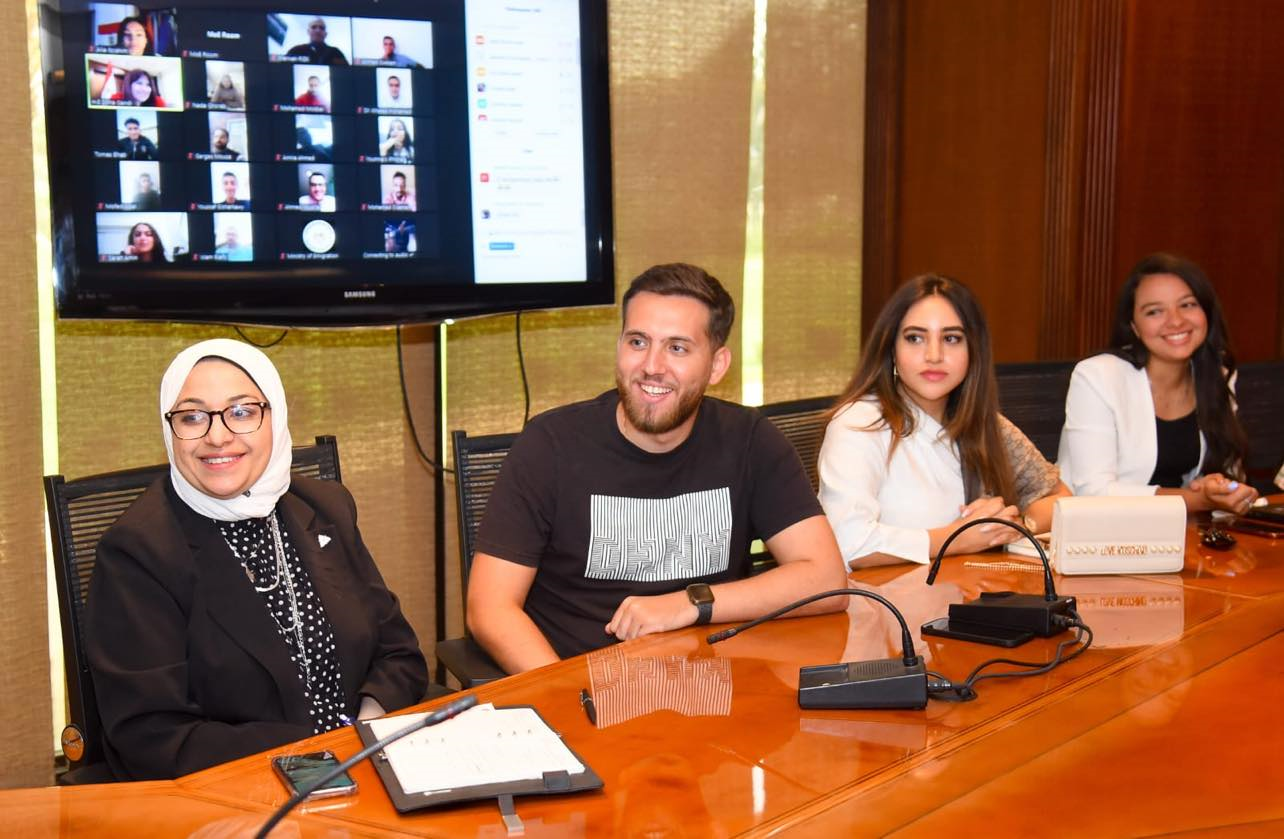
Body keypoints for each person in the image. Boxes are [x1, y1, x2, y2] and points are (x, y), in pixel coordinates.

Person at [467, 263, 848, 673]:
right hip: (580, 683)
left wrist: (690, 603)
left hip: (715, 689)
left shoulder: (749, 441)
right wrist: (562, 694)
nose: (652, 365)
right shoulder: (550, 445)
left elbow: (826, 580)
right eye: (638, 342)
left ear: (717, 365)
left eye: (677, 348)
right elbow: (489, 609)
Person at [85, 340, 429, 780]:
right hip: (241, 788)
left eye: (242, 411)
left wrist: (366, 728)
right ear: (170, 429)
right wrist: (315, 759)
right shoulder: (137, 552)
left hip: (365, 762)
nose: (217, 436)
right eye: (192, 417)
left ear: (276, 417)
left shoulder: (325, 506)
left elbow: (399, 653)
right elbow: (149, 734)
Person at [818, 274, 1071, 568]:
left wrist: (1009, 526)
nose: (934, 355)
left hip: (969, 590)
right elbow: (848, 544)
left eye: (951, 339)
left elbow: (1061, 500)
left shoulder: (986, 425)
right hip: (885, 594)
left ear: (973, 350)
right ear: (891, 349)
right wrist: (959, 537)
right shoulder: (859, 424)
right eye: (915, 338)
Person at [1057, 252, 1257, 513]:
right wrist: (1197, 499)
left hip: (1183, 529)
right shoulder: (1097, 376)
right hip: (1100, 529)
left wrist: (1219, 488)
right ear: (1134, 326)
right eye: (1154, 311)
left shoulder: (1217, 373)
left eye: (1187, 305)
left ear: (1206, 311)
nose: (1176, 320)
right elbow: (1094, 492)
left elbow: (1228, 471)